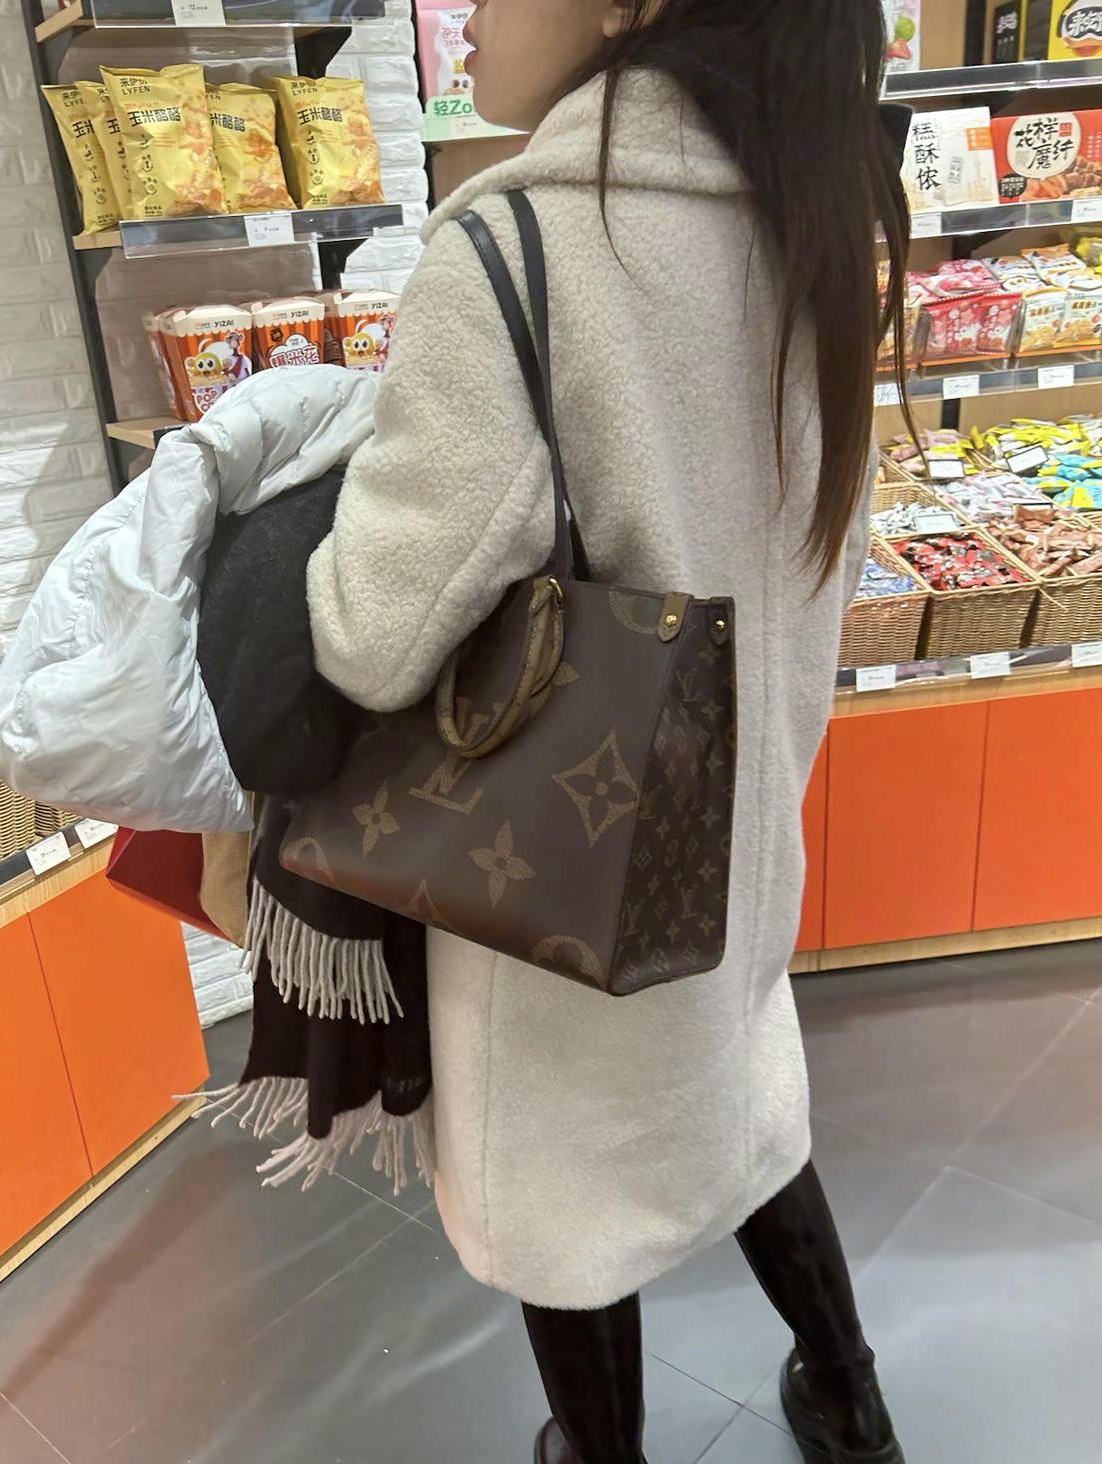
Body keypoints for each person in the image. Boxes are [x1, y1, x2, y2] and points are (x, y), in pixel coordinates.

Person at [304, 0, 912, 1459]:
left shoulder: (512, 248)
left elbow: (375, 636)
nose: (465, 17)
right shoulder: (807, 215)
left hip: (564, 864)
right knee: (740, 1098)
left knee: (567, 1194)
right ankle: (850, 1402)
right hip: (743, 822)